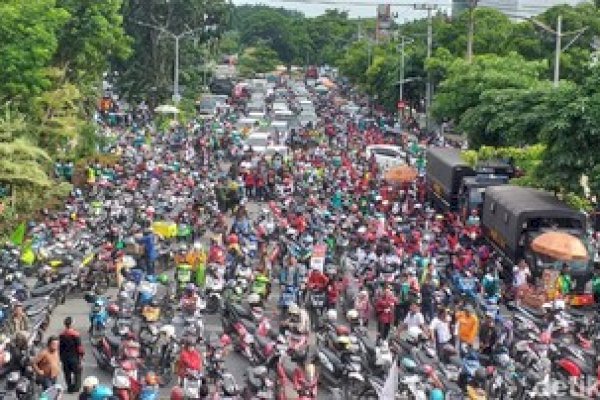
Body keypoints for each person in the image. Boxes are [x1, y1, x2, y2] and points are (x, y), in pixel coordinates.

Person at [59, 317, 85, 393]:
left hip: (65, 358)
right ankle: (76, 388)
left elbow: (60, 347)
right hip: (74, 358)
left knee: (67, 374)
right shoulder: (76, 335)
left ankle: (70, 387)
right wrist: (82, 356)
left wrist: (61, 357)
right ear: (72, 324)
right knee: (77, 373)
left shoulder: (62, 335)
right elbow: (79, 348)